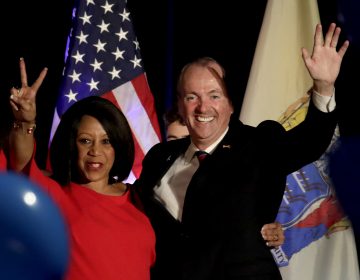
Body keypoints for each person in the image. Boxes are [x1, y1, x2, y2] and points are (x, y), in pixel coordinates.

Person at [134, 23, 349, 280]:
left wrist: (323, 87)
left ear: (231, 103)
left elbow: (310, 141)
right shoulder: (160, 158)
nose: (203, 107)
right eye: (192, 97)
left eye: (214, 96)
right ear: (180, 104)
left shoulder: (259, 145)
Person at [7, 58, 155, 280]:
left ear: (119, 145)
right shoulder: (56, 195)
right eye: (85, 140)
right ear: (71, 143)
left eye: (106, 141)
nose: (96, 151)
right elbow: (22, 164)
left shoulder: (139, 199)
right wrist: (25, 123)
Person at [164, 106, 286, 246]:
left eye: (187, 139)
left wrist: (264, 235)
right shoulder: (155, 185)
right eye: (172, 140)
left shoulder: (228, 185)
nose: (181, 147)